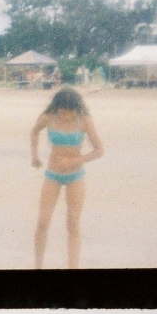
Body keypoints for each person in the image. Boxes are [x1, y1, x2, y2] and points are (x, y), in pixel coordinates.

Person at [30, 86, 104, 268]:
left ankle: (73, 267)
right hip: (52, 175)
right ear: (56, 107)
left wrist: (74, 160)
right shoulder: (48, 117)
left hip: (75, 176)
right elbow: (34, 131)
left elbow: (99, 150)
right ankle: (37, 266)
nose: (64, 115)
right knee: (42, 222)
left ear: (76, 109)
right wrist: (35, 156)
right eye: (61, 111)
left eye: (69, 112)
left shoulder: (84, 120)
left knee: (72, 224)